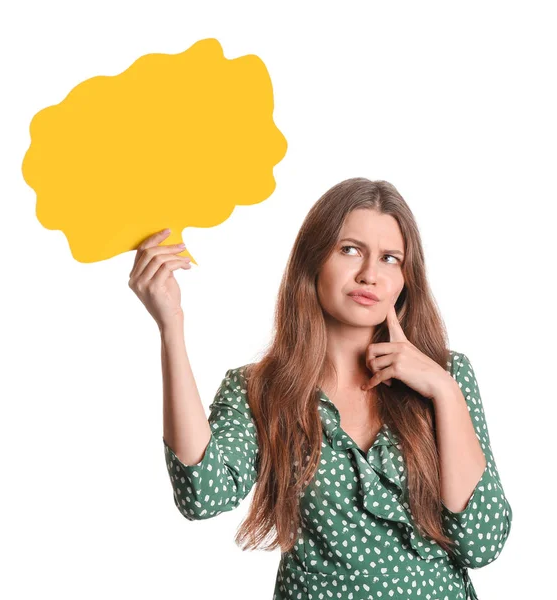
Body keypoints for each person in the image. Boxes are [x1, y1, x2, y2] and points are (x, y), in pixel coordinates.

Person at [128, 177, 512, 600]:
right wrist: (171, 328)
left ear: (406, 279)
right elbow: (201, 495)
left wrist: (444, 391)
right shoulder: (259, 388)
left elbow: (482, 542)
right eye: (350, 250)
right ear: (313, 260)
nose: (370, 274)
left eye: (390, 258)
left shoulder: (447, 377)